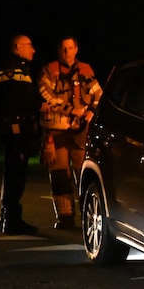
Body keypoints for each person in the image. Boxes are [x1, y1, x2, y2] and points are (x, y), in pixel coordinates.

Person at [38, 35, 102, 230]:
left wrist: (91, 111)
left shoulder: (86, 70)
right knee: (59, 174)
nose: (67, 52)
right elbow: (45, 93)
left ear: (76, 49)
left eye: (70, 48)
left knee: (83, 173)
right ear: (59, 51)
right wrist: (70, 109)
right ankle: (64, 217)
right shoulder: (49, 70)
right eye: (63, 49)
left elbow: (98, 94)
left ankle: (87, 214)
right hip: (56, 131)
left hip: (80, 131)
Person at [0, 34, 41, 235]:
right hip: (17, 131)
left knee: (13, 173)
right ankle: (10, 219)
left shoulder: (15, 68)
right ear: (18, 47)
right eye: (30, 46)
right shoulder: (14, 71)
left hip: (15, 130)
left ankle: (7, 218)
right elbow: (21, 102)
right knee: (15, 174)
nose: (33, 50)